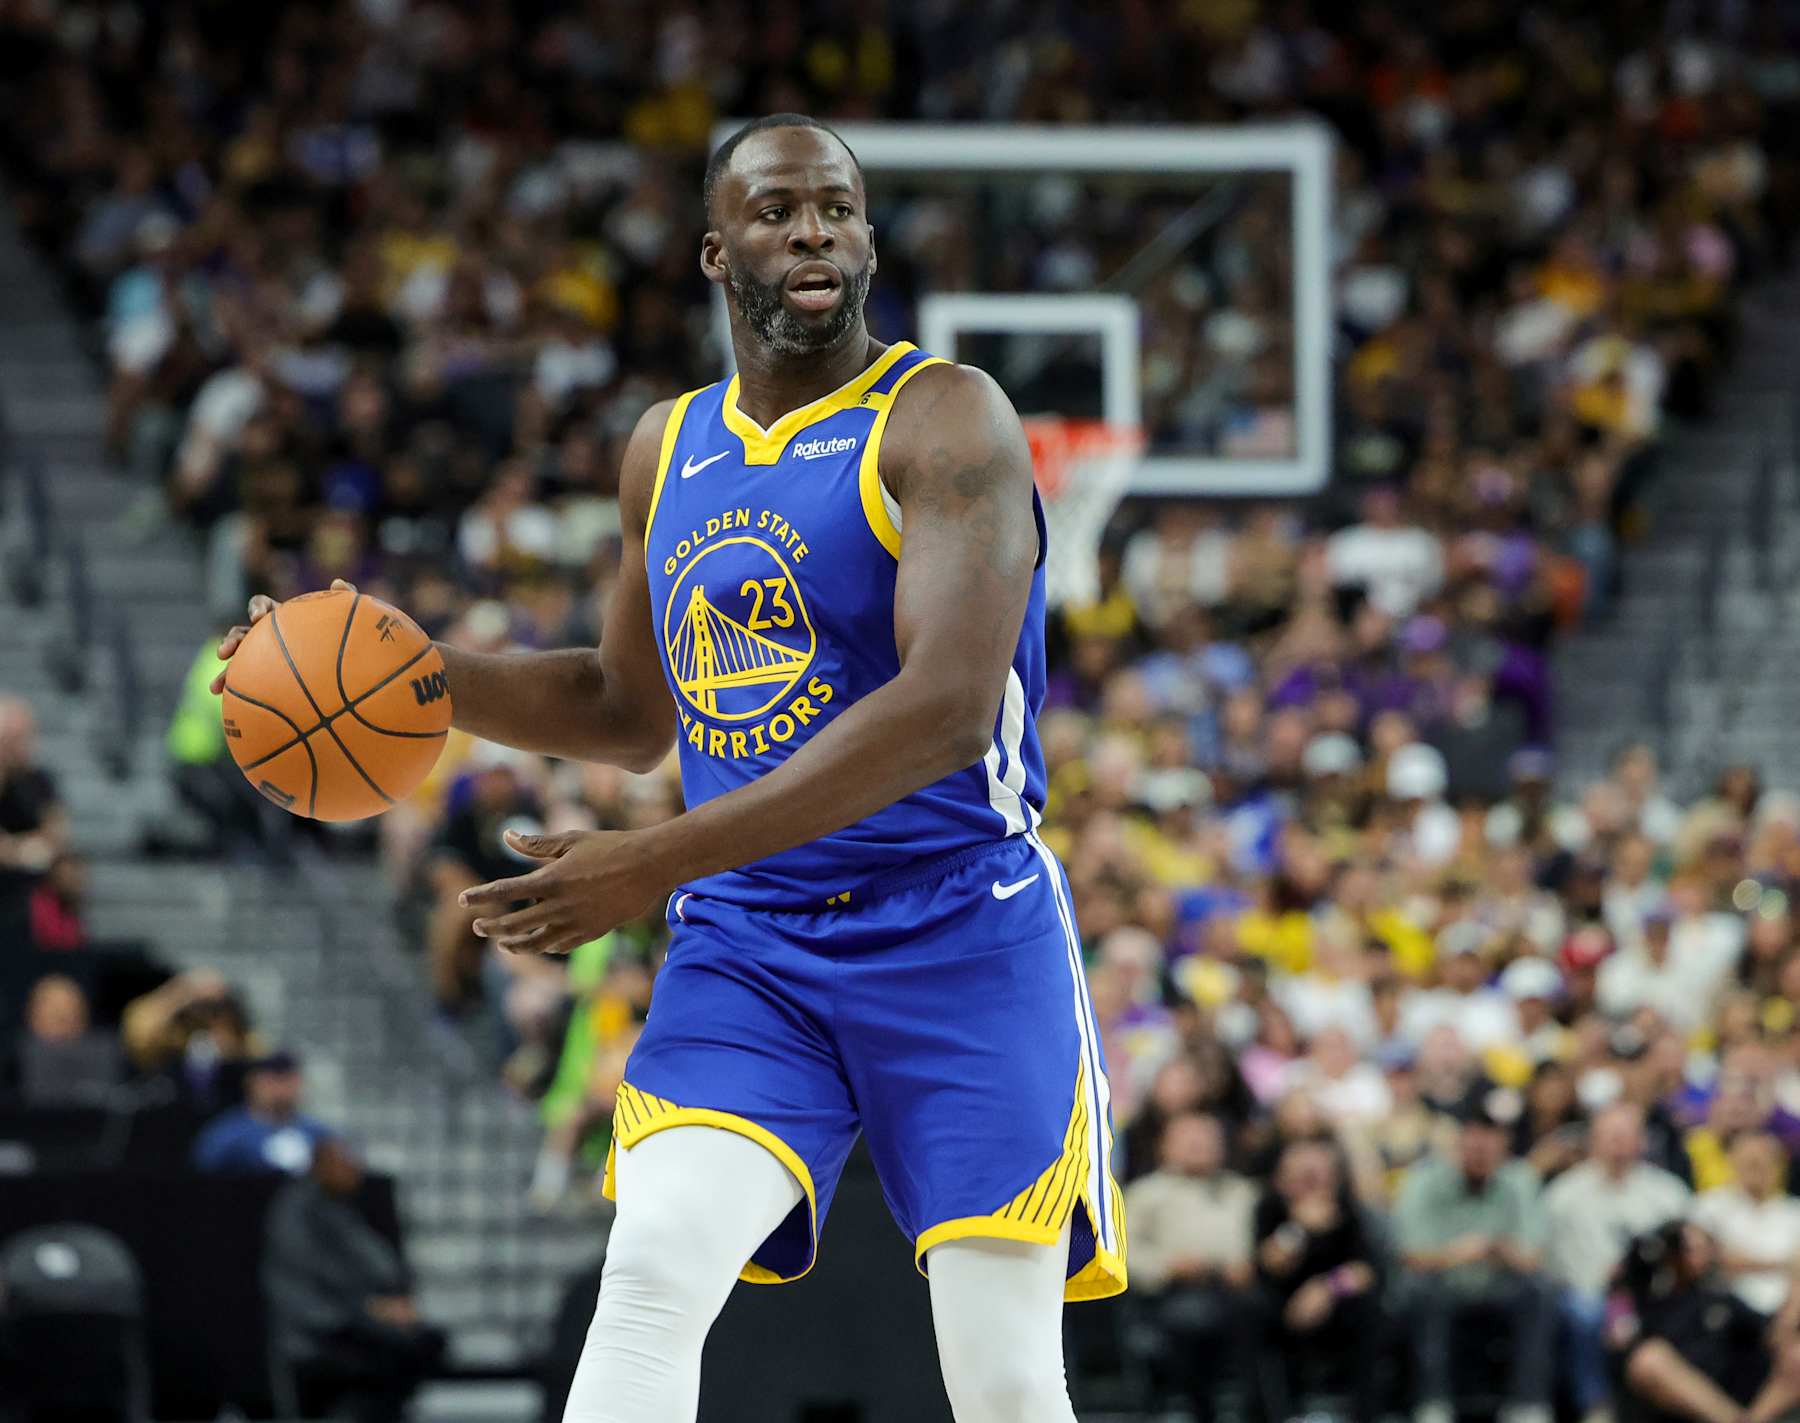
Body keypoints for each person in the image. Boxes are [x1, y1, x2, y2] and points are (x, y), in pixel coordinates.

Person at [214, 113, 1125, 1422]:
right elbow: (627, 706)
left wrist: (652, 859)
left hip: (959, 926)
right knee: (647, 1269)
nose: (812, 226)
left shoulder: (946, 418)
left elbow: (945, 708)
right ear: (716, 251)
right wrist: (405, 665)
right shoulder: (668, 445)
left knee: (1002, 1378)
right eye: (776, 209)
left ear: (864, 240)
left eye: (837, 207)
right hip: (753, 937)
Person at [263, 1137, 447, 1422]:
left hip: (353, 1323)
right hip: (321, 1333)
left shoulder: (340, 1209)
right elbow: (314, 1279)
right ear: (323, 1165)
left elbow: (381, 1265)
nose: (356, 1171)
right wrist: (370, 1309)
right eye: (347, 1163)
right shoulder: (298, 1211)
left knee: (426, 1341)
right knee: (402, 1350)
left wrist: (391, 1302)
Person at [1394, 1102, 1558, 1423]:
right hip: (1445, 1283)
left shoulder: (1521, 1179)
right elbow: (1411, 1256)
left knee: (1541, 1291)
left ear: (1503, 1147)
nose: (1480, 1153)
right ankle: (1433, 1404)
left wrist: (1496, 1247)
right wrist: (1457, 1253)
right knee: (1420, 1290)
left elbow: (1533, 1259)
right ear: (1457, 1146)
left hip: (1501, 1284)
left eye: (1489, 1145)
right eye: (1472, 1144)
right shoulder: (1424, 1180)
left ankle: (1528, 1405)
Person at [1543, 1102, 1693, 1421]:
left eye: (1625, 1137)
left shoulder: (1667, 1192)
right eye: (1610, 1137)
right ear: (1593, 1141)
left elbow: (1687, 1253)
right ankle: (1596, 1404)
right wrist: (1606, 1290)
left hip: (1654, 1295)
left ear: (1642, 1142)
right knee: (1588, 1313)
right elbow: (1549, 1259)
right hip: (1586, 1291)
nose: (1617, 1146)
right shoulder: (1563, 1194)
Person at [1124, 1111, 1256, 1422]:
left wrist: (1253, 1265)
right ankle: (1202, 1413)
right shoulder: (1144, 1194)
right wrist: (1166, 1267)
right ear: (1164, 1146)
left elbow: (1265, 1241)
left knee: (1263, 1316)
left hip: (1239, 1292)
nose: (1199, 1145)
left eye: (1207, 1139)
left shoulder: (1244, 1192)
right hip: (1170, 1294)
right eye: (1189, 1139)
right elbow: (1124, 1253)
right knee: (1193, 1320)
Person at [1252, 1134, 1386, 1423]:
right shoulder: (1270, 1207)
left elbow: (1366, 1271)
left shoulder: (1348, 1209)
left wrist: (1327, 1287)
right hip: (1282, 1304)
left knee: (1369, 1309)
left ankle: (1364, 1415)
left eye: (1320, 1175)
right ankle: (1277, 1415)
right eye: (1303, 1176)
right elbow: (1268, 1265)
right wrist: (1298, 1229)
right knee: (1252, 1310)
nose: (1313, 1184)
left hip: (1336, 1304)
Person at [1613, 1220, 1800, 1423]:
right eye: (1685, 1248)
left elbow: (1772, 1337)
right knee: (1650, 1358)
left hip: (1729, 1387)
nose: (1694, 1255)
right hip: (1673, 1391)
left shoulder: (1720, 1297)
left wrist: (1796, 1290)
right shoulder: (1650, 1293)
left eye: (1702, 1248)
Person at [1691, 1132, 1800, 1317]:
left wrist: (1789, 1318)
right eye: (1749, 1164)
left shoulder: (1794, 1211)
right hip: (1724, 1308)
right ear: (1732, 1162)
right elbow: (1714, 1260)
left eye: (1762, 1164)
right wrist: (1781, 1263)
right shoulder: (1709, 1206)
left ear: (1778, 1166)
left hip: (1786, 1310)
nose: (1756, 1171)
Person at [192, 1051, 334, 1174]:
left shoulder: (318, 1133)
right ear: (251, 1083)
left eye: (287, 1080)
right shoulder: (225, 1135)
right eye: (272, 1080)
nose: (280, 1089)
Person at [15, 975, 124, 1106]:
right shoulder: (20, 1056)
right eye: (54, 1010)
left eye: (69, 1007)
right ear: (32, 1015)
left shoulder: (105, 1049)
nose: (62, 1015)